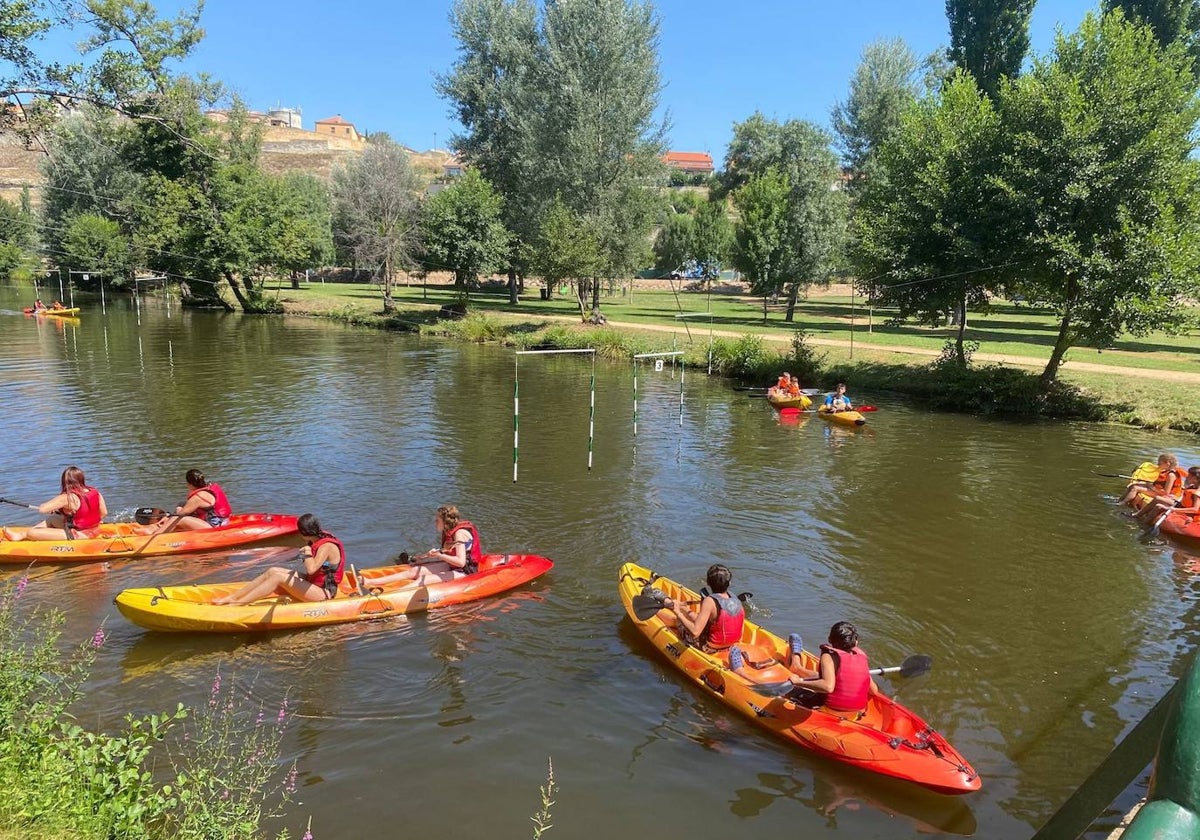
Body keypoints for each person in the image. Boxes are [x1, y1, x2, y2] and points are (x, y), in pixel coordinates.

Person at [732, 621, 882, 713]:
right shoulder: (860, 657)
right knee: (820, 677)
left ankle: (742, 673)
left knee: (791, 689)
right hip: (855, 711)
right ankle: (796, 665)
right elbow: (873, 691)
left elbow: (828, 687)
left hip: (829, 709)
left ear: (830, 640)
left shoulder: (828, 656)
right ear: (855, 643)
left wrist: (798, 682)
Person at [212, 513, 344, 605]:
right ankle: (232, 597)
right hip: (314, 584)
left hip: (324, 593)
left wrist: (307, 552)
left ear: (303, 533)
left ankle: (237, 604)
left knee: (278, 578)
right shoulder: (316, 538)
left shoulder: (326, 545)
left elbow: (311, 569)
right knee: (273, 571)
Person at [374, 505, 483, 588]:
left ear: (445, 522)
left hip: (465, 571)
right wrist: (423, 557)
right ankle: (368, 582)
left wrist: (440, 556)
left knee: (424, 579)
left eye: (437, 520)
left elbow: (461, 562)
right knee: (413, 571)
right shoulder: (448, 531)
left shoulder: (459, 534)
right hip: (452, 566)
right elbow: (447, 550)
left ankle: (387, 597)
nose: (435, 523)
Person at [2, 466, 108, 541]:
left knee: (31, 533)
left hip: (80, 535)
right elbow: (104, 513)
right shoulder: (95, 492)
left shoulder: (67, 497)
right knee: (53, 519)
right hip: (95, 530)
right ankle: (19, 536)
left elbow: (42, 509)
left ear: (65, 482)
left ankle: (24, 534)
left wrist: (55, 507)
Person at [665, 563, 744, 652]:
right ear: (729, 582)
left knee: (678, 622)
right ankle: (682, 607)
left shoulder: (709, 601)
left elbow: (695, 633)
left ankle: (670, 605)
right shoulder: (736, 599)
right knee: (696, 618)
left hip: (710, 648)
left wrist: (677, 612)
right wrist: (685, 609)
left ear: (707, 582)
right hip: (731, 646)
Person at [138, 469, 232, 534]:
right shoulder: (211, 487)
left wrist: (157, 534)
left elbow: (178, 517)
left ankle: (155, 532)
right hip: (221, 520)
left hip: (216, 527)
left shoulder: (198, 497)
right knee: (181, 506)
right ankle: (156, 527)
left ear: (189, 484)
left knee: (180, 519)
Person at [1119, 453, 1186, 508]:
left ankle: (1122, 504)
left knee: (1135, 488)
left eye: (1160, 463)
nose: (1158, 465)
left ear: (1167, 464)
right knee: (1135, 485)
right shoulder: (1166, 471)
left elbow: (1166, 493)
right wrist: (1148, 484)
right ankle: (1120, 499)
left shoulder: (1171, 475)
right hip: (1158, 490)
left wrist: (1151, 487)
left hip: (1166, 496)